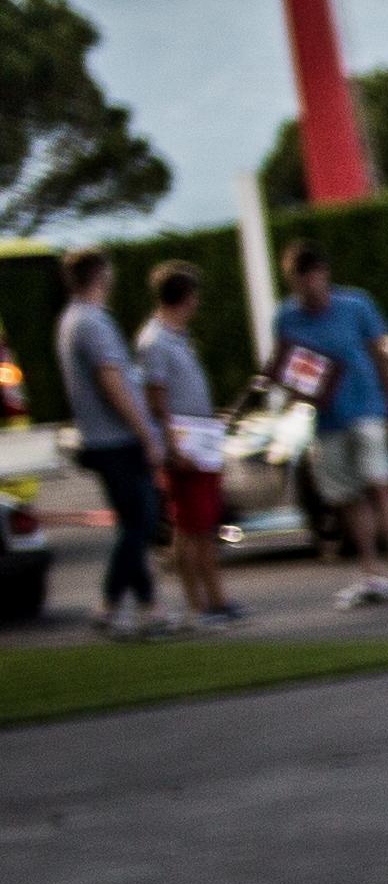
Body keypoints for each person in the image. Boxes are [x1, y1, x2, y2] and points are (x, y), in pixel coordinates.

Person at [272, 239, 388, 607]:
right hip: (327, 420)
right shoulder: (286, 317)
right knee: (347, 497)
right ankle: (371, 573)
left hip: (367, 410)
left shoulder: (356, 305)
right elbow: (291, 367)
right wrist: (296, 393)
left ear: (323, 274)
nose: (306, 286)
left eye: (311, 276)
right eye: (298, 279)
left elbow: (381, 359)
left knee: (380, 485)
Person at [56, 248, 167, 640]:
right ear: (101, 275)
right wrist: (145, 433)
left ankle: (149, 607)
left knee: (134, 523)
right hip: (117, 440)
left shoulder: (72, 319)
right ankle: (109, 604)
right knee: (141, 523)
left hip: (101, 439)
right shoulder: (92, 322)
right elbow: (112, 383)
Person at [134, 261, 244, 630]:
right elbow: (156, 399)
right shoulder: (155, 341)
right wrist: (172, 446)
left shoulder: (176, 336)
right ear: (185, 297)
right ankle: (199, 605)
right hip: (184, 444)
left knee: (203, 524)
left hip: (199, 438)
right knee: (191, 526)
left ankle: (216, 599)